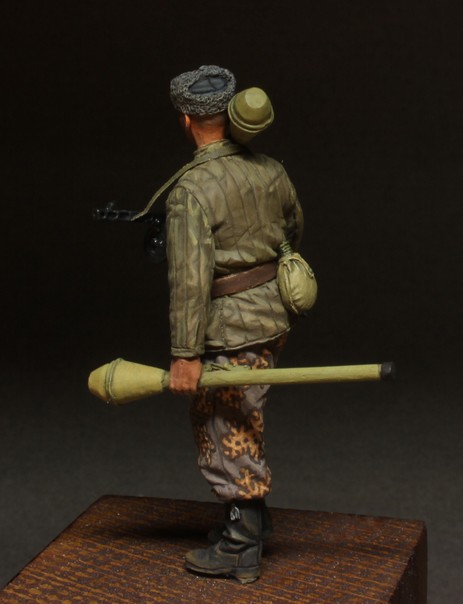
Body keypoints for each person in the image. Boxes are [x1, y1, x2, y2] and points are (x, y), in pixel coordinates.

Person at [166, 65, 303, 583]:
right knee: (242, 416)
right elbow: (294, 228)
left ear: (187, 120)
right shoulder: (270, 170)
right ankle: (254, 519)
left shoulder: (191, 189)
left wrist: (185, 354)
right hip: (272, 316)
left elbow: (189, 279)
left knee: (225, 429)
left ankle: (241, 545)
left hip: (228, 330)